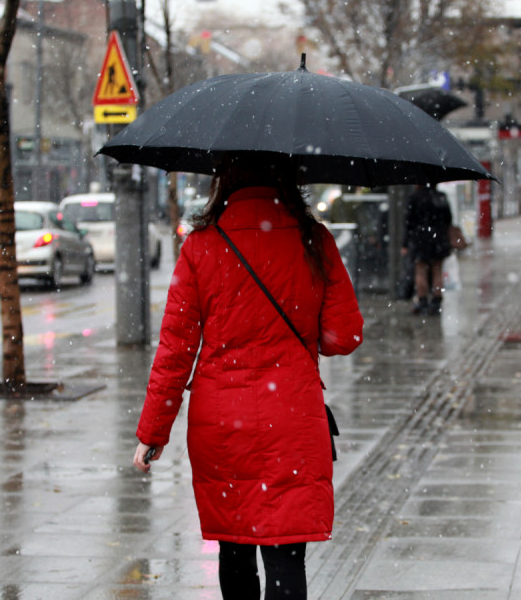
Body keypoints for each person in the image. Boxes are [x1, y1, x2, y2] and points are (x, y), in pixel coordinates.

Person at [132, 154, 364, 600]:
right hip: (293, 420)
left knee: (234, 549)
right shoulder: (314, 239)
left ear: (226, 178)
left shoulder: (201, 246)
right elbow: (344, 336)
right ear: (289, 177)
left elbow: (176, 350)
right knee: (285, 554)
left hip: (222, 426)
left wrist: (152, 431)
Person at [402, 183, 453, 315]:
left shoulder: (414, 197)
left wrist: (405, 243)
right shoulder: (441, 196)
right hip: (439, 238)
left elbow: (408, 222)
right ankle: (436, 303)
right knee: (437, 271)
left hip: (420, 239)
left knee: (420, 272)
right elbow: (448, 219)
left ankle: (422, 301)